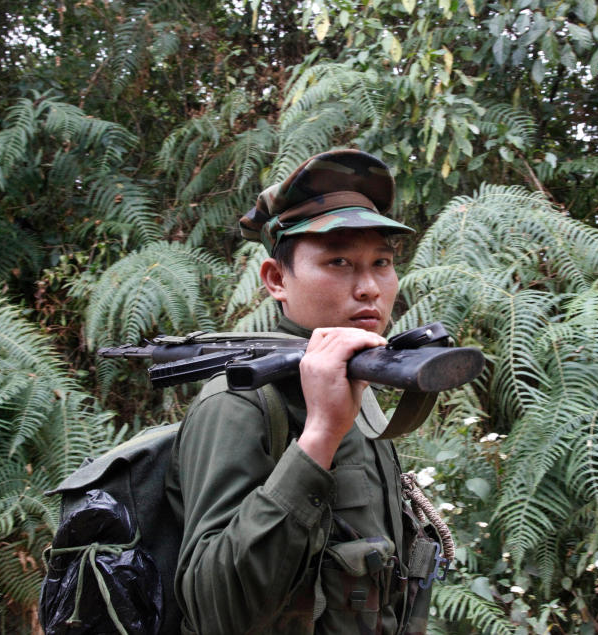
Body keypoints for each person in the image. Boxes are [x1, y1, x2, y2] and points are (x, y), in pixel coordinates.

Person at [164, 149, 442, 634]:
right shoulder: (238, 402)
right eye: (339, 262)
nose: (370, 288)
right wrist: (319, 436)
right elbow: (215, 613)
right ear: (276, 280)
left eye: (382, 262)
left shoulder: (356, 380)